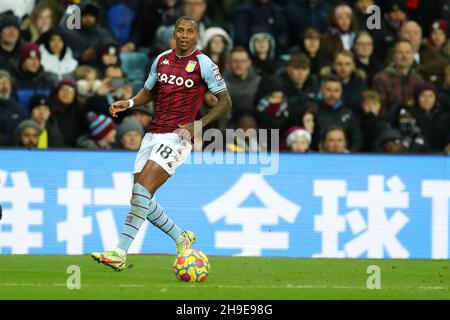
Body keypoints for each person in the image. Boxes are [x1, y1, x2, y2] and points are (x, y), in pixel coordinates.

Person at [91, 16, 232, 271]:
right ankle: (181, 237)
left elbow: (225, 101)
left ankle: (120, 252)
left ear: (196, 36)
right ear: (174, 34)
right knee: (141, 197)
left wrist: (198, 124)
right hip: (152, 134)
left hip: (177, 136)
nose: (184, 35)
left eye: (190, 31)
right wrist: (131, 102)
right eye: (180, 30)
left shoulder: (204, 64)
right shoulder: (162, 59)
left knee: (141, 192)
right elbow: (149, 90)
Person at [373, 40, 423, 111]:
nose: (404, 56)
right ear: (394, 55)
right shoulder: (381, 78)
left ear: (412, 55)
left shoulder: (418, 78)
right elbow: (380, 106)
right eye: (400, 52)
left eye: (408, 52)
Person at [223, 47, 261, 118]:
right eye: (235, 61)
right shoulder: (220, 83)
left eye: (243, 61)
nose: (239, 64)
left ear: (249, 63)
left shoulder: (258, 82)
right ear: (229, 62)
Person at [0, 69, 27, 146]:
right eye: (1, 83)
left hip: (15, 151)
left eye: (7, 83)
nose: (4, 87)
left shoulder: (19, 109)